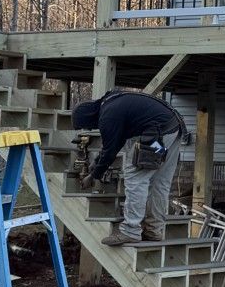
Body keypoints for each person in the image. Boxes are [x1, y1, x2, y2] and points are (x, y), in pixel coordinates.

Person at [70, 88, 188, 247]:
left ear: (88, 119)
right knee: (160, 183)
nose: (91, 129)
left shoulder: (107, 115)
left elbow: (110, 151)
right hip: (172, 132)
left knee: (135, 178)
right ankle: (154, 231)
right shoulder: (111, 104)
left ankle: (130, 231)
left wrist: (93, 176)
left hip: (155, 136)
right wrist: (97, 162)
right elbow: (114, 142)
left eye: (87, 126)